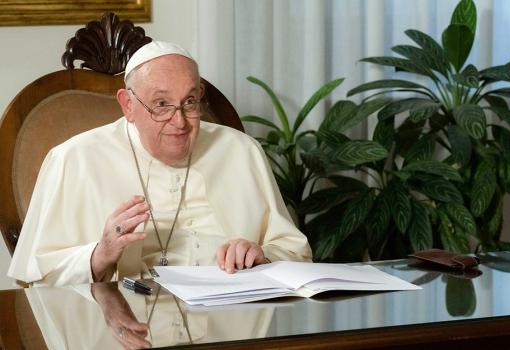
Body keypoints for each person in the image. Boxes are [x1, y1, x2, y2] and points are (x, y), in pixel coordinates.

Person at [8, 41, 312, 287]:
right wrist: (99, 255)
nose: (179, 122)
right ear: (128, 105)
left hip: (231, 321)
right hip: (125, 327)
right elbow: (37, 276)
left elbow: (295, 252)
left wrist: (262, 255)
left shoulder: (241, 150)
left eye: (190, 102)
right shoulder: (74, 160)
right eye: (161, 104)